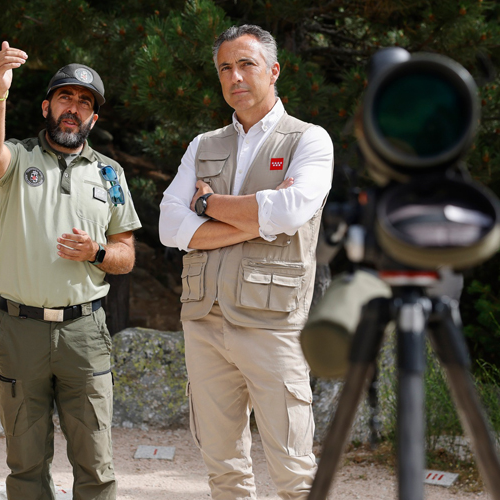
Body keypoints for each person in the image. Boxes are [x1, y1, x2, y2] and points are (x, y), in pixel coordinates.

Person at [159, 25, 334, 500]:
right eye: (225, 68)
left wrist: (209, 204)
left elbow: (293, 209)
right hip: (203, 320)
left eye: (246, 64)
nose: (235, 76)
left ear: (273, 71)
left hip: (272, 324)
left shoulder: (309, 140)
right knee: (223, 469)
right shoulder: (203, 145)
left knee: (295, 471)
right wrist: (256, 217)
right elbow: (169, 227)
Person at [0, 42, 141, 500]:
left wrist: (96, 251)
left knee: (95, 462)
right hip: (18, 328)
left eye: (85, 102)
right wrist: (0, 90)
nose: (74, 109)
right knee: (25, 464)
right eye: (66, 98)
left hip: (84, 334)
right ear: (47, 106)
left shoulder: (110, 174)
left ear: (93, 118)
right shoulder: (18, 158)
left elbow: (126, 254)